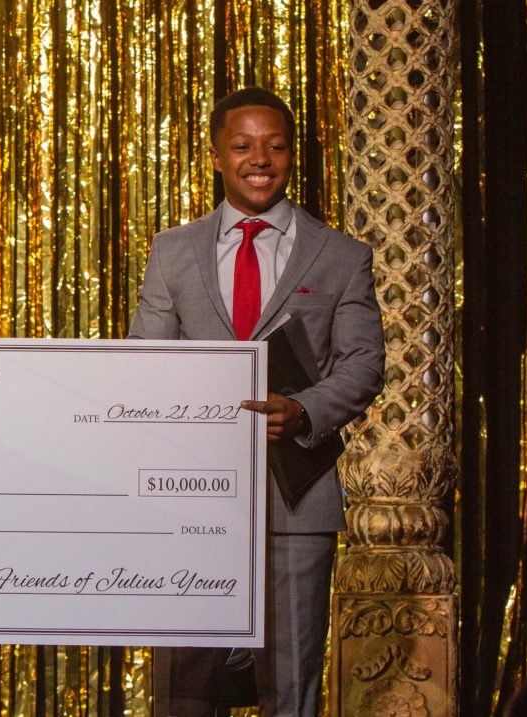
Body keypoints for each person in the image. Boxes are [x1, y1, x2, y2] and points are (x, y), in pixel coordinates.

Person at [128, 87, 385, 716]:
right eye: (242, 146)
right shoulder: (174, 250)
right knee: (182, 690)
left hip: (295, 496)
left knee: (290, 686)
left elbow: (364, 362)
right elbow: (143, 360)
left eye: (273, 145)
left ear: (291, 155)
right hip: (189, 497)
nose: (258, 158)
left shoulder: (341, 256)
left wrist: (302, 413)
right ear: (216, 156)